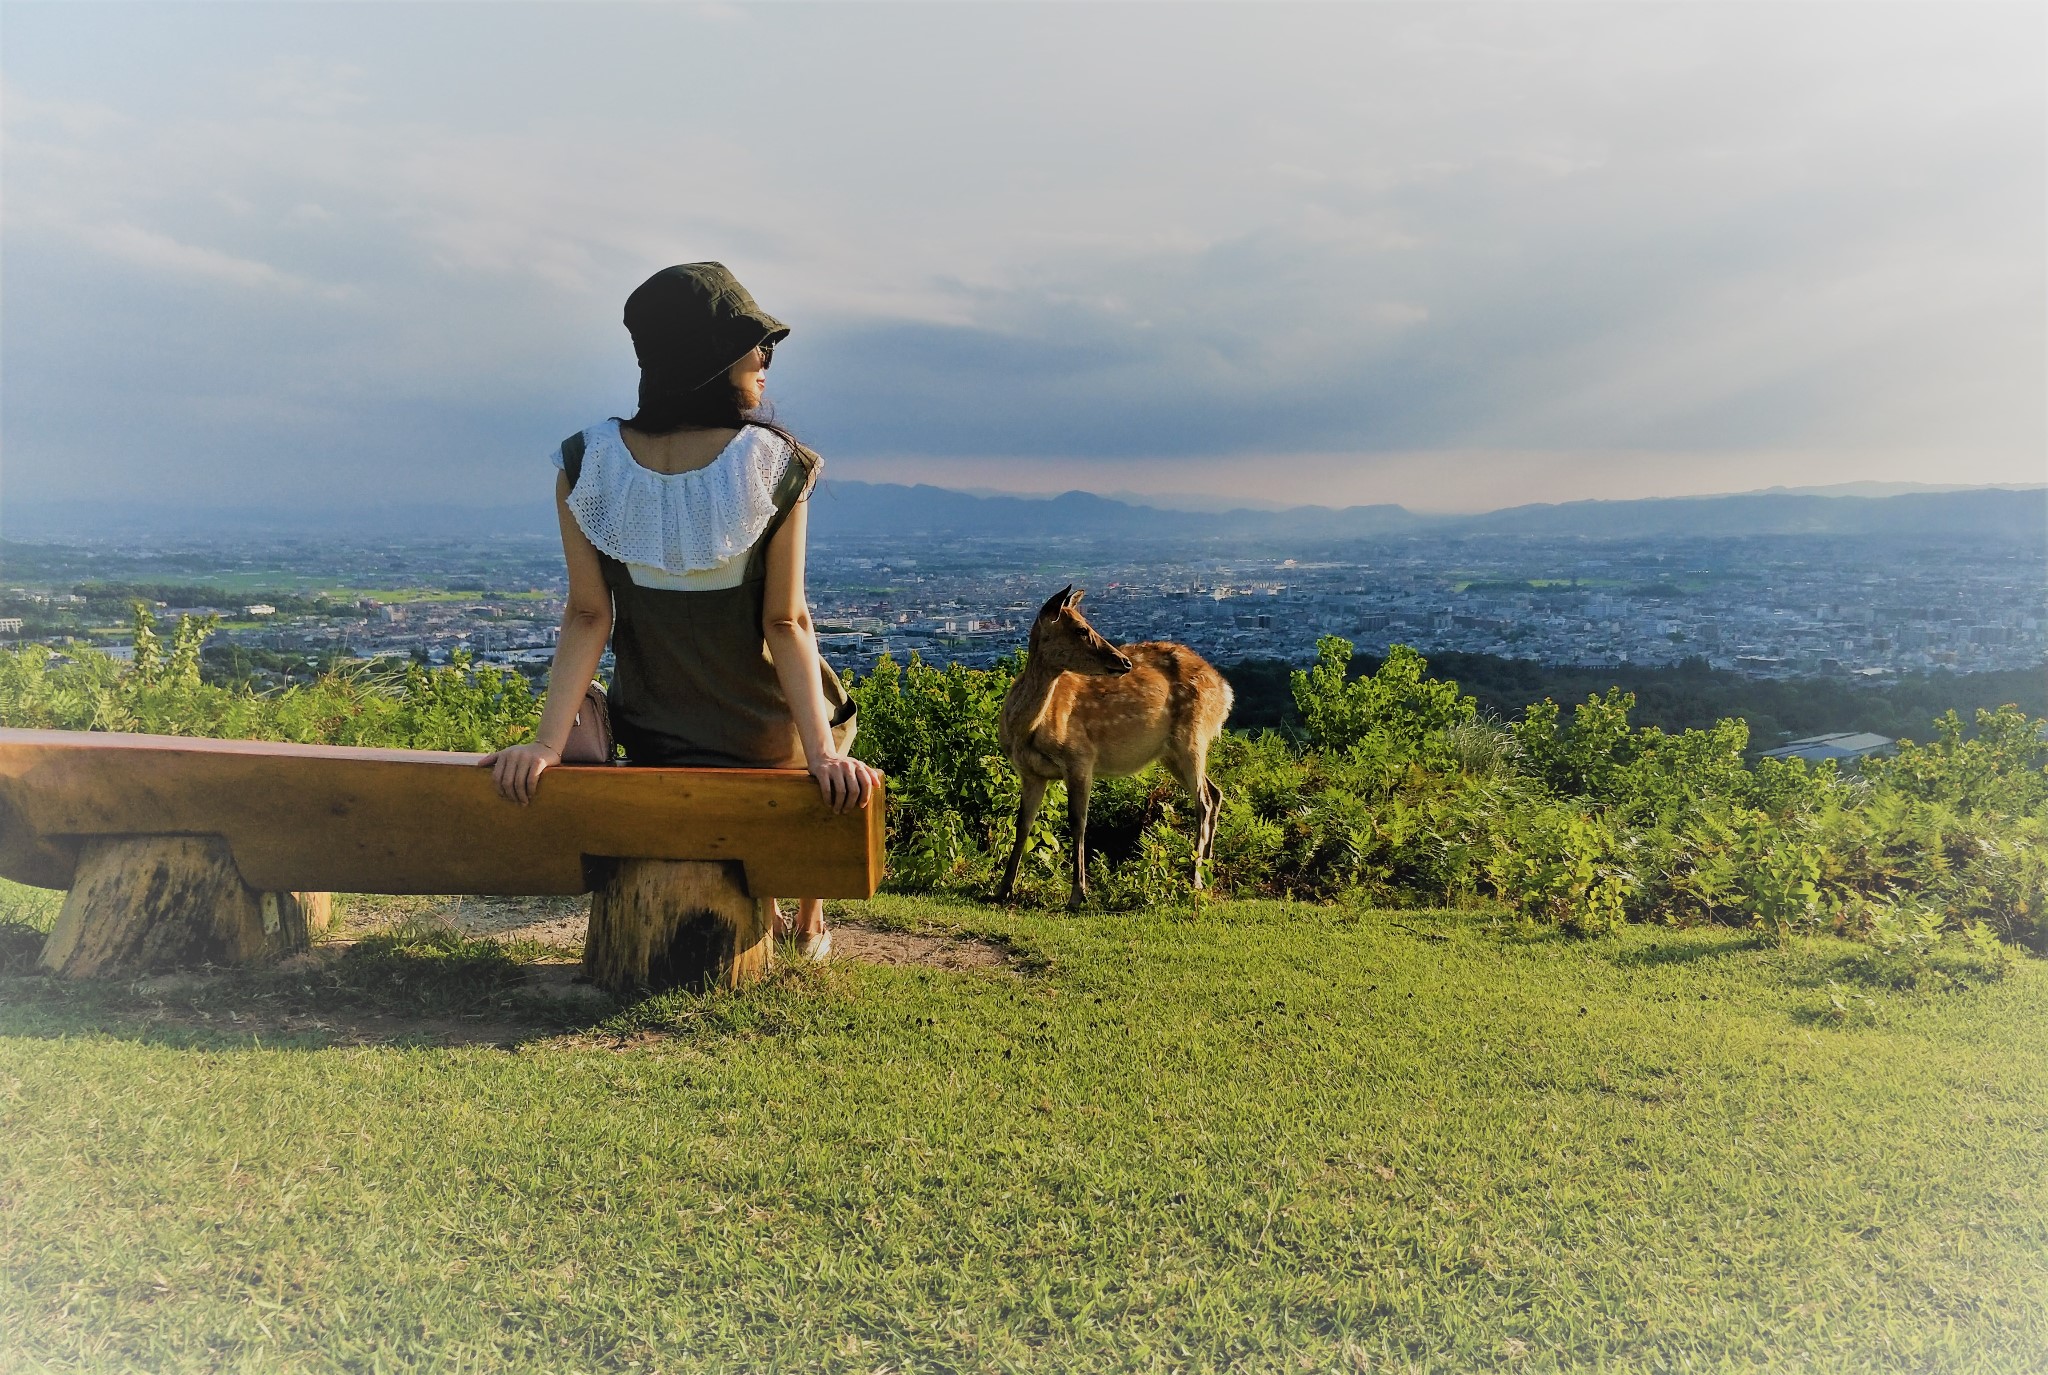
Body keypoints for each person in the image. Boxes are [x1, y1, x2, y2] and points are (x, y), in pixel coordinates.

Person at [481, 262, 879, 959]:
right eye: (758, 348)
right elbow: (785, 624)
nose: (765, 363)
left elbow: (587, 618)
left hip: (657, 735)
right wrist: (819, 754)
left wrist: (545, 746)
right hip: (769, 745)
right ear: (717, 359)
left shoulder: (587, 465)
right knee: (833, 704)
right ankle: (808, 918)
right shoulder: (775, 464)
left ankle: (797, 906)